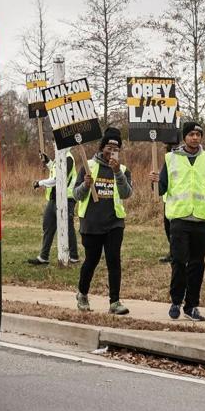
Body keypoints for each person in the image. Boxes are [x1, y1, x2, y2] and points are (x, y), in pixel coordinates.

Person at [151, 121, 205, 322]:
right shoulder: (171, 158)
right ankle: (176, 300)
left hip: (201, 219)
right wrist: (155, 181)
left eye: (198, 134)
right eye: (191, 134)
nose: (195, 137)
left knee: (197, 264)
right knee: (179, 261)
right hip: (179, 219)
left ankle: (192, 305)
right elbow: (162, 189)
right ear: (184, 137)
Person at [74, 128, 133, 315]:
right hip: (91, 222)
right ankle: (82, 294)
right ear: (102, 148)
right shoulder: (88, 166)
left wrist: (117, 173)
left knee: (114, 260)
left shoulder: (123, 170)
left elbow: (126, 194)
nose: (112, 151)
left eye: (116, 148)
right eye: (109, 147)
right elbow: (76, 195)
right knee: (91, 260)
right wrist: (85, 185)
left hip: (114, 223)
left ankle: (114, 302)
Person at [28, 152, 79, 265]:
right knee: (48, 226)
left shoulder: (68, 158)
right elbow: (55, 170)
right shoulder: (59, 156)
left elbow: (59, 178)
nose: (54, 143)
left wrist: (40, 183)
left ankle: (74, 257)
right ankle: (43, 257)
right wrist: (48, 161)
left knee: (67, 228)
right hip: (54, 198)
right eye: (53, 141)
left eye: (55, 141)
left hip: (66, 199)